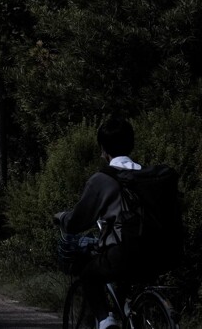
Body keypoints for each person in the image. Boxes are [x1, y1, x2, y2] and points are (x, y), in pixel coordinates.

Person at [55, 116, 143, 329]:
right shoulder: (149, 176)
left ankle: (105, 321)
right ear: (131, 144)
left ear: (103, 150)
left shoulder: (103, 179)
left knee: (89, 275)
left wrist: (62, 218)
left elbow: (78, 220)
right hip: (157, 252)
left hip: (121, 253)